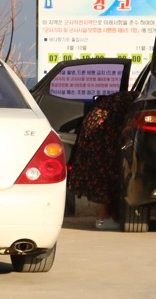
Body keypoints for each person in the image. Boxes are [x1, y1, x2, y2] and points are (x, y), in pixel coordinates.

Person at [68, 91, 132, 230]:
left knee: (105, 173)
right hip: (103, 131)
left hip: (97, 128)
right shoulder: (139, 101)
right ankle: (103, 217)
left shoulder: (123, 99)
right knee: (108, 174)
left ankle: (107, 217)